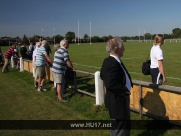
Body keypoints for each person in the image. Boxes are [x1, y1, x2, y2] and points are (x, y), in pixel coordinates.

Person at [100, 37, 133, 136]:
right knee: (120, 127)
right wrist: (125, 91)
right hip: (117, 101)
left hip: (117, 100)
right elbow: (110, 84)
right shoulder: (112, 62)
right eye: (122, 46)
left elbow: (102, 75)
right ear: (117, 49)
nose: (124, 48)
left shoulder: (110, 60)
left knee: (118, 126)